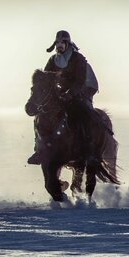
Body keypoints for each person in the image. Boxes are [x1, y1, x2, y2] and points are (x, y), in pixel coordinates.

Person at [27, 30, 99, 165]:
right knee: (41, 116)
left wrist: (70, 94)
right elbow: (46, 78)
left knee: (84, 116)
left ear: (67, 43)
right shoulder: (53, 60)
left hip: (79, 95)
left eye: (62, 42)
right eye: (57, 43)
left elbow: (80, 80)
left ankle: (89, 152)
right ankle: (39, 149)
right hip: (60, 96)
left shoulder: (78, 59)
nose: (59, 45)